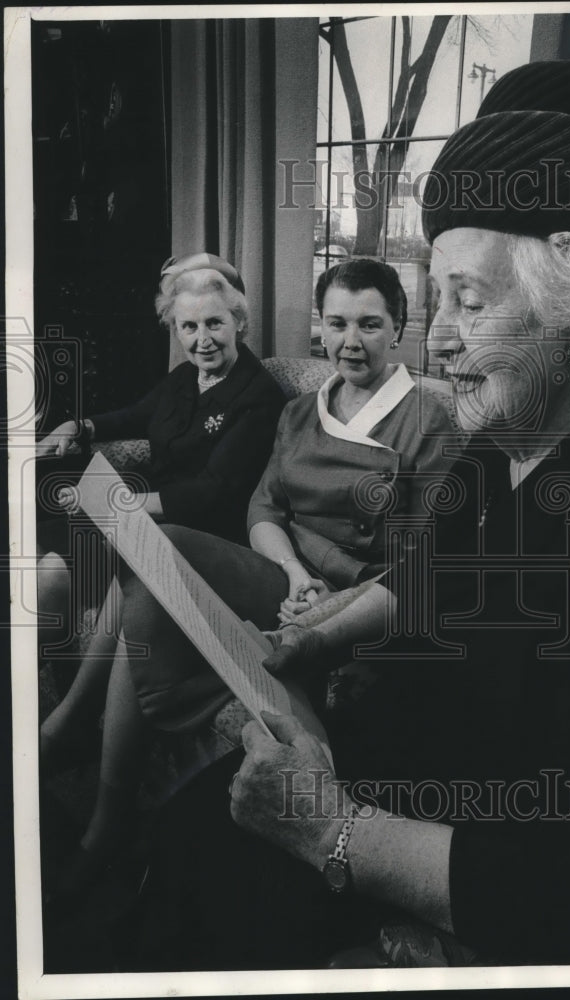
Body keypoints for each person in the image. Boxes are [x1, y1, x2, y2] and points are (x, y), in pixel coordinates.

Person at [121, 62, 570, 969]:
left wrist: (331, 830)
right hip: (396, 760)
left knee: (217, 885)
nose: (439, 337)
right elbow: (435, 576)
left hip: (464, 853)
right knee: (194, 827)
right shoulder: (501, 444)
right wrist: (315, 642)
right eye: (436, 301)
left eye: (468, 298)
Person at [42, 259, 457, 906]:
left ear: (397, 328)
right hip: (281, 569)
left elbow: (421, 558)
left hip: (351, 599)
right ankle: (95, 772)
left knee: (157, 561)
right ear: (319, 327)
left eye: (370, 324)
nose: (351, 340)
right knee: (156, 548)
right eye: (338, 323)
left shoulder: (428, 423)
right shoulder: (298, 412)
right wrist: (291, 568)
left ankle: (104, 815)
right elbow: (263, 509)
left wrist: (329, 594)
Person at [38, 253, 286, 890]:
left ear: (239, 324)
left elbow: (220, 489)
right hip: (154, 530)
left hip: (215, 540)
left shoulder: (258, 396)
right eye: (187, 328)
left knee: (119, 545)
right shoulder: (183, 382)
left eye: (215, 325)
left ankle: (69, 727)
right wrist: (82, 425)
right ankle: (68, 720)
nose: (202, 340)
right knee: (81, 532)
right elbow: (137, 416)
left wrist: (131, 503)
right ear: (174, 332)